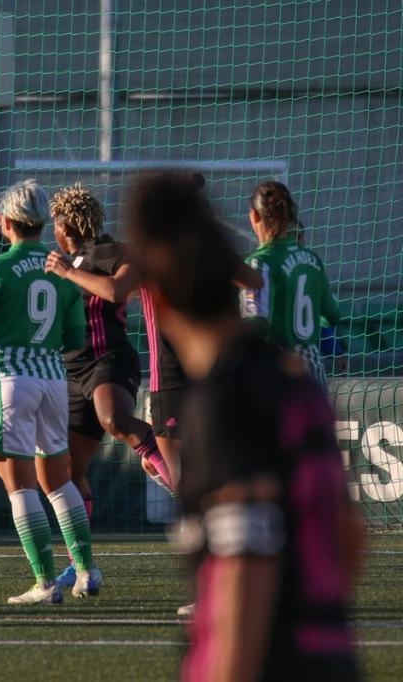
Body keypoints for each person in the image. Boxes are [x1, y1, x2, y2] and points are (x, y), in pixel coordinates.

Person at [125, 172, 362, 682]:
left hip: (277, 659)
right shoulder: (295, 386)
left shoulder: (227, 398)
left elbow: (243, 569)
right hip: (310, 361)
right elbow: (349, 534)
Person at [0, 180, 100, 604]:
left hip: (9, 377)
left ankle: (44, 582)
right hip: (54, 377)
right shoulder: (61, 268)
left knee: (20, 486)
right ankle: (87, 570)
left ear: (5, 223)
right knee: (59, 481)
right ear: (41, 223)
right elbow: (77, 335)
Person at [43, 183, 174, 587]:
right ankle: (79, 563)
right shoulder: (66, 262)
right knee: (68, 471)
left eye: (55, 226)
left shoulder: (117, 252)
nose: (54, 235)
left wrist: (68, 272)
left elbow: (117, 290)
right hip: (71, 370)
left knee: (115, 418)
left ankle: (172, 470)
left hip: (110, 359)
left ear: (66, 226)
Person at [240, 182, 342, 390]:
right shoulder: (312, 260)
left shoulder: (259, 263)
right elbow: (332, 314)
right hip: (313, 374)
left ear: (254, 216)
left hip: (278, 373)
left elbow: (255, 324)